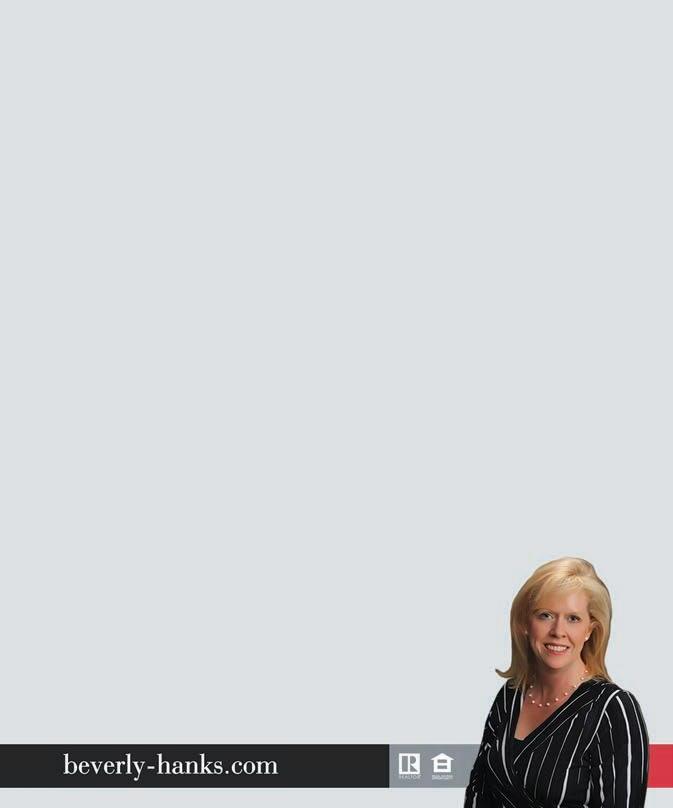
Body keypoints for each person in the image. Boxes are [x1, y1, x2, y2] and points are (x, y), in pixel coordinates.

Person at [464, 557, 649, 808]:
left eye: (573, 618)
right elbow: (478, 789)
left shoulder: (613, 709)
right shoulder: (510, 695)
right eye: (546, 615)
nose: (558, 631)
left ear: (590, 629)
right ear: (525, 623)